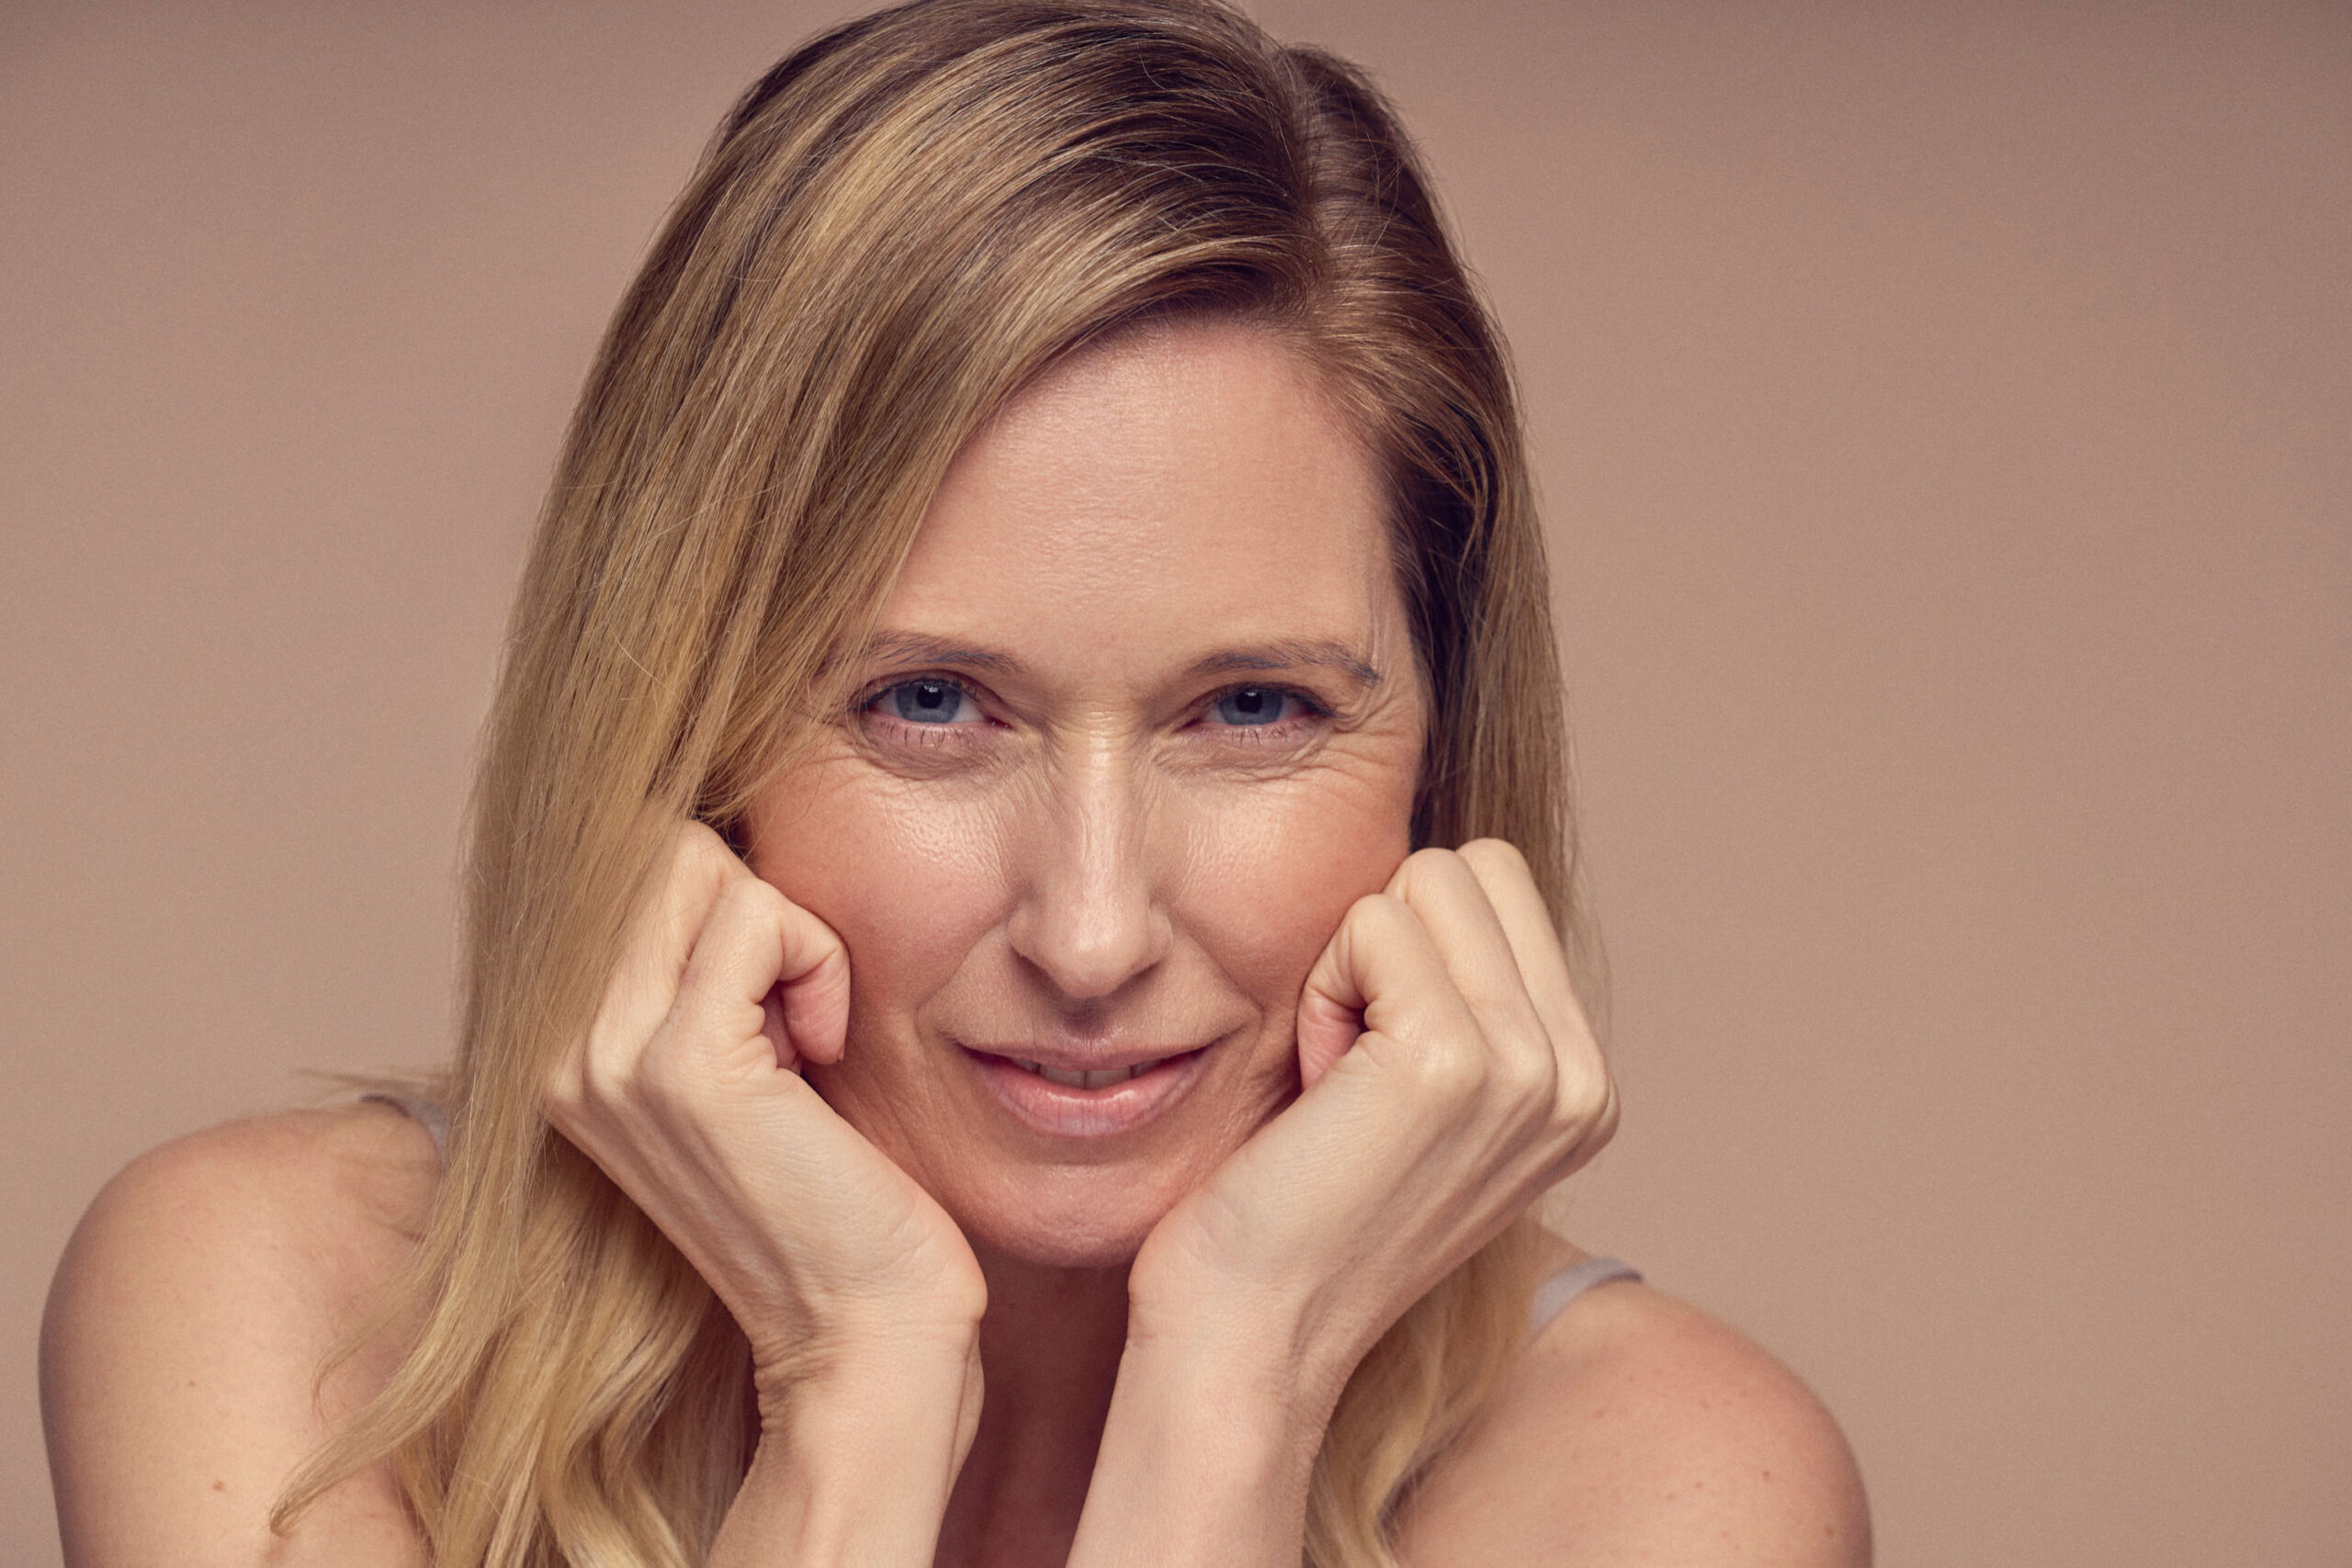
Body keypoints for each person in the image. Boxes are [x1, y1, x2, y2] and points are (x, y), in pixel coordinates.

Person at [40, 2, 1870, 1563]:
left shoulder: (1661, 1488)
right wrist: (851, 1377)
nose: (1088, 928)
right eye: (928, 700)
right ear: (682, 731)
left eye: (1245, 707)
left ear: (1441, 756)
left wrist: (1237, 1377)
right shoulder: (285, 1318)